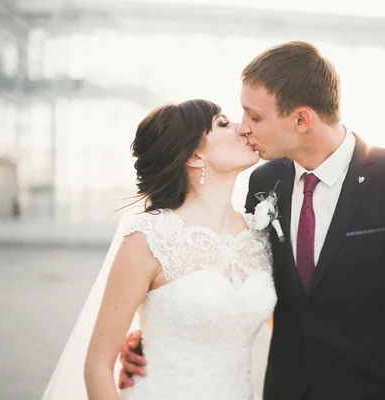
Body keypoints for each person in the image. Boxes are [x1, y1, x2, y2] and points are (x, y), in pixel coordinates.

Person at [119, 41, 385, 399]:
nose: (243, 127)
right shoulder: (264, 182)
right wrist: (159, 332)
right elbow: (250, 284)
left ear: (301, 119)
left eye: (254, 116)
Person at [83, 99, 277, 400]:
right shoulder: (150, 238)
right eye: (223, 124)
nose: (243, 127)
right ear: (195, 155)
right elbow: (97, 365)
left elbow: (287, 332)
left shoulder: (259, 235)